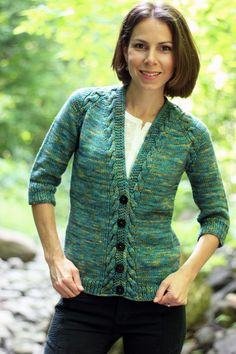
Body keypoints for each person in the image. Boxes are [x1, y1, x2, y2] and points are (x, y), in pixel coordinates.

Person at [28, 2, 230, 354]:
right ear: (125, 50)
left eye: (164, 48)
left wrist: (185, 275)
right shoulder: (84, 108)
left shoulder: (191, 135)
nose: (151, 59)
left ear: (178, 57)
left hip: (159, 304)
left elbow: (216, 216)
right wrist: (55, 258)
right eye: (141, 45)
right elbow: (42, 180)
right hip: (82, 297)